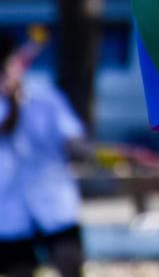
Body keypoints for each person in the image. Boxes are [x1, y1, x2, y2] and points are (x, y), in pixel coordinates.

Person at [0, 34, 85, 277]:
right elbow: (6, 124)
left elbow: (71, 136)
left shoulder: (45, 98)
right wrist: (12, 100)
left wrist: (85, 150)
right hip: (8, 214)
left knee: (70, 268)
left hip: (54, 206)